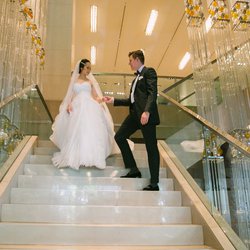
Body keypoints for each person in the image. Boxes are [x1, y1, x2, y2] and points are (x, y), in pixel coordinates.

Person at [103, 50, 160, 191]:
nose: (129, 63)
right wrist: (114, 100)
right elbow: (131, 101)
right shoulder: (135, 79)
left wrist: (147, 112)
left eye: (130, 60)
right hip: (135, 115)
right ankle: (134, 169)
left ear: (136, 59)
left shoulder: (149, 72)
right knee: (120, 137)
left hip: (146, 116)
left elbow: (152, 94)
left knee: (151, 148)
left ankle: (154, 183)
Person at [50, 59, 118, 170]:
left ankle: (94, 157)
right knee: (78, 130)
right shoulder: (74, 81)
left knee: (91, 130)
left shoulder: (90, 82)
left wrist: (102, 99)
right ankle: (77, 155)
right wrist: (69, 105)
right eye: (87, 67)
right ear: (81, 68)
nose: (89, 70)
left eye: (90, 68)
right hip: (77, 106)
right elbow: (70, 95)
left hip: (90, 106)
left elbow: (95, 97)